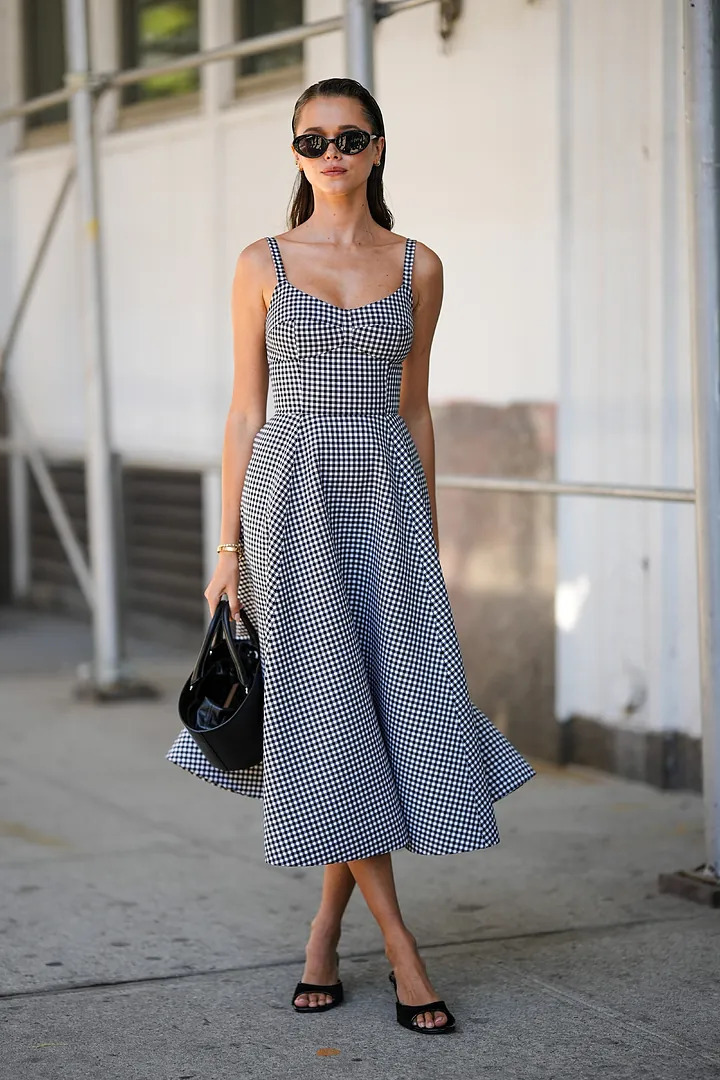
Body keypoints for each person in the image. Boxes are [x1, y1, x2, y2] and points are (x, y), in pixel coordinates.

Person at [166, 76, 536, 1034]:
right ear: (295, 152)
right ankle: (403, 948)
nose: (331, 153)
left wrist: (429, 539)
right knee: (328, 713)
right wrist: (226, 546)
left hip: (385, 500)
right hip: (289, 501)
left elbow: (416, 411)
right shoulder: (261, 262)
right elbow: (245, 411)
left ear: (377, 148)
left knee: (375, 713)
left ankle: (324, 932)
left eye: (349, 137)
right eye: (313, 139)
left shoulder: (420, 265)